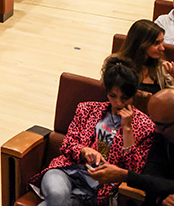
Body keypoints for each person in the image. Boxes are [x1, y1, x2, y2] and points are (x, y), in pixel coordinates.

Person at [32, 56, 154, 206]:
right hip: (66, 172)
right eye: (113, 96)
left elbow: (134, 171)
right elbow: (67, 143)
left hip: (97, 189)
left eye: (125, 98)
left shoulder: (145, 126)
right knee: (58, 195)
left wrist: (127, 129)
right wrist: (85, 150)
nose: (118, 103)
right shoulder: (87, 109)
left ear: (133, 95)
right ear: (107, 92)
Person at [113, 20, 174, 95]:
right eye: (156, 43)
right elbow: (109, 93)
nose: (162, 48)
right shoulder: (116, 64)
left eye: (162, 42)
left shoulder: (162, 67)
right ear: (140, 44)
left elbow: (171, 100)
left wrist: (173, 77)